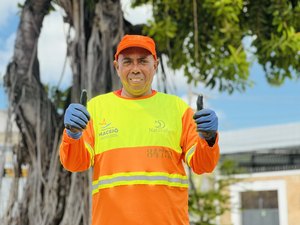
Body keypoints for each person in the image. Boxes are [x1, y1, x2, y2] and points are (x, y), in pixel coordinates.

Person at [60, 34, 220, 225]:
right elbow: (74, 164)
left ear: (155, 65)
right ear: (116, 67)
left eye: (143, 61)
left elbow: (203, 165)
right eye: (127, 62)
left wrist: (209, 139)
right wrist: (72, 135)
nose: (135, 69)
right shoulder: (95, 108)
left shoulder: (178, 109)